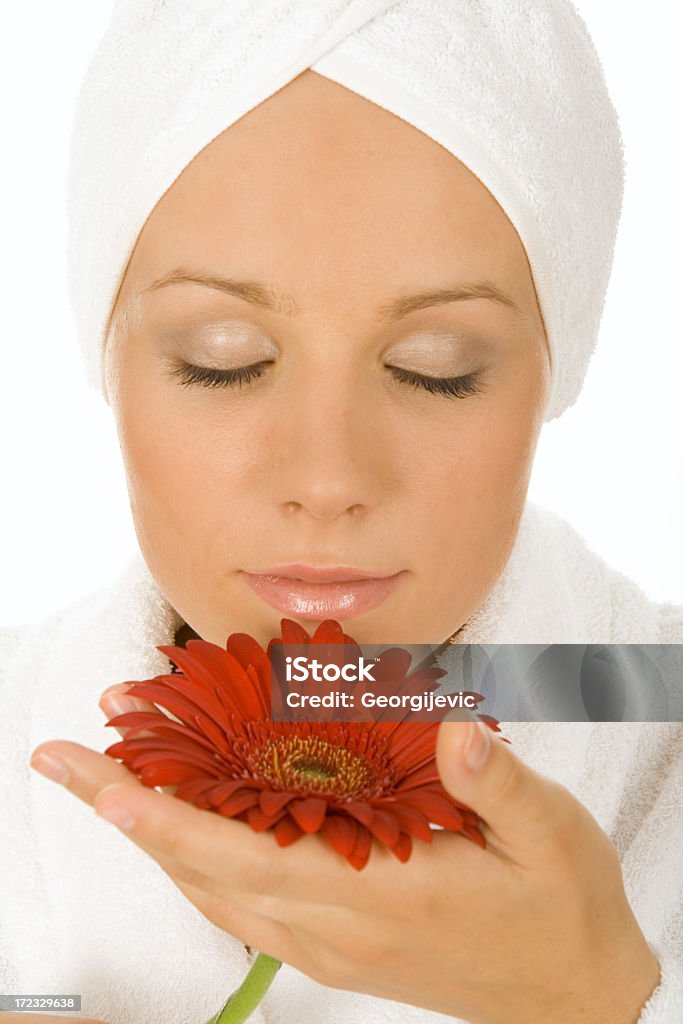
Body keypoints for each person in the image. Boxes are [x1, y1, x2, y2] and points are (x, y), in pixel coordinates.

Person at [1, 2, 681, 1023]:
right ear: (109, 356)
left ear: (555, 365)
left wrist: (594, 1002)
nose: (326, 478)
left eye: (434, 369)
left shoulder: (651, 728)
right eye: (221, 360)